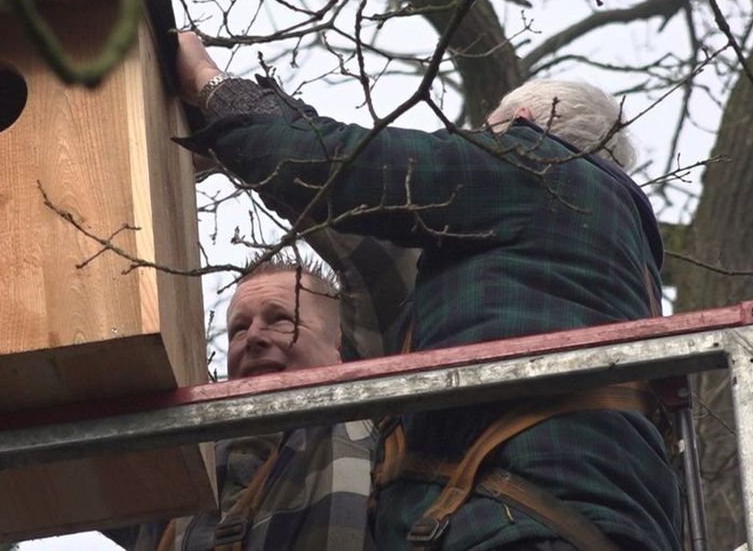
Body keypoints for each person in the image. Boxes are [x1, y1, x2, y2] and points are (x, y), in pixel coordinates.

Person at [172, 32, 681, 551]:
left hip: (521, 529)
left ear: (525, 122)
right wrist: (251, 140)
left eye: (488, 137)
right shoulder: (612, 263)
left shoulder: (538, 165)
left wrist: (210, 86)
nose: (481, 147)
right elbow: (358, 228)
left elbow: (341, 169)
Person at [109, 255, 391, 551]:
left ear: (338, 346)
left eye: (280, 319)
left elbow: (377, 260)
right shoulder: (188, 475)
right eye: (239, 329)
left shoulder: (382, 431)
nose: (253, 336)